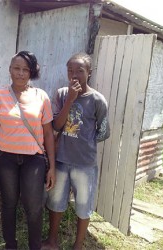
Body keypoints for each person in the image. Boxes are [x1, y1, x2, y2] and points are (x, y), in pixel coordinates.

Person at [0, 50, 56, 250]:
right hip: (5, 159)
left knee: (34, 207)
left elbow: (49, 134)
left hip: (33, 159)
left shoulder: (41, 96)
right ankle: (11, 245)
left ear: (31, 72)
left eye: (26, 69)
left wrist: (51, 166)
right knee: (9, 204)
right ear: (10, 70)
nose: (20, 73)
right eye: (16, 68)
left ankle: (34, 246)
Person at [42, 52, 110, 250]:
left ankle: (78, 245)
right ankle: (52, 241)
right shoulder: (62, 94)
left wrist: (85, 143)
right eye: (70, 71)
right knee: (56, 202)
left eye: (79, 71)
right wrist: (70, 100)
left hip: (85, 163)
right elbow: (56, 125)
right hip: (61, 160)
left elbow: (104, 131)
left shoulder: (97, 99)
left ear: (89, 72)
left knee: (83, 205)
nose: (74, 75)